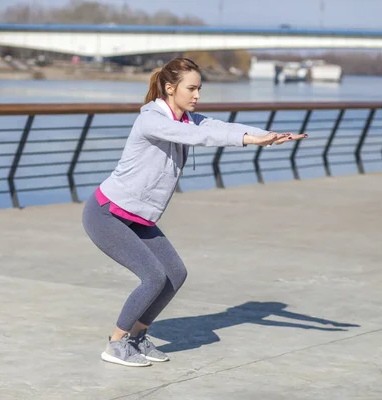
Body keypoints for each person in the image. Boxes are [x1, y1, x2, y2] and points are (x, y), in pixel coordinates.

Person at [82, 57, 307, 367]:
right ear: (170, 88)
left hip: (139, 218)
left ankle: (137, 337)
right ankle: (116, 343)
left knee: (175, 274)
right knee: (152, 276)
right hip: (107, 213)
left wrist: (267, 136)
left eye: (200, 88)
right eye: (191, 88)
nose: (197, 95)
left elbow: (220, 128)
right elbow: (200, 137)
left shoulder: (188, 120)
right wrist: (252, 140)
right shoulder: (151, 120)